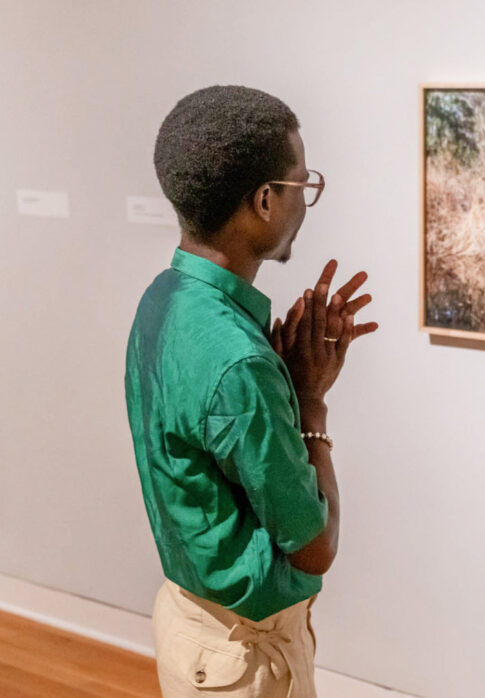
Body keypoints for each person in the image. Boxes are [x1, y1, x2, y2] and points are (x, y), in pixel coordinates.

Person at [124, 85, 377, 697]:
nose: (305, 202)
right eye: (301, 184)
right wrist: (310, 401)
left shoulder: (163, 298)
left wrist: (280, 378)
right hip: (242, 663)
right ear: (264, 200)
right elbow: (313, 548)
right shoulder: (238, 362)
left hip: (192, 629)